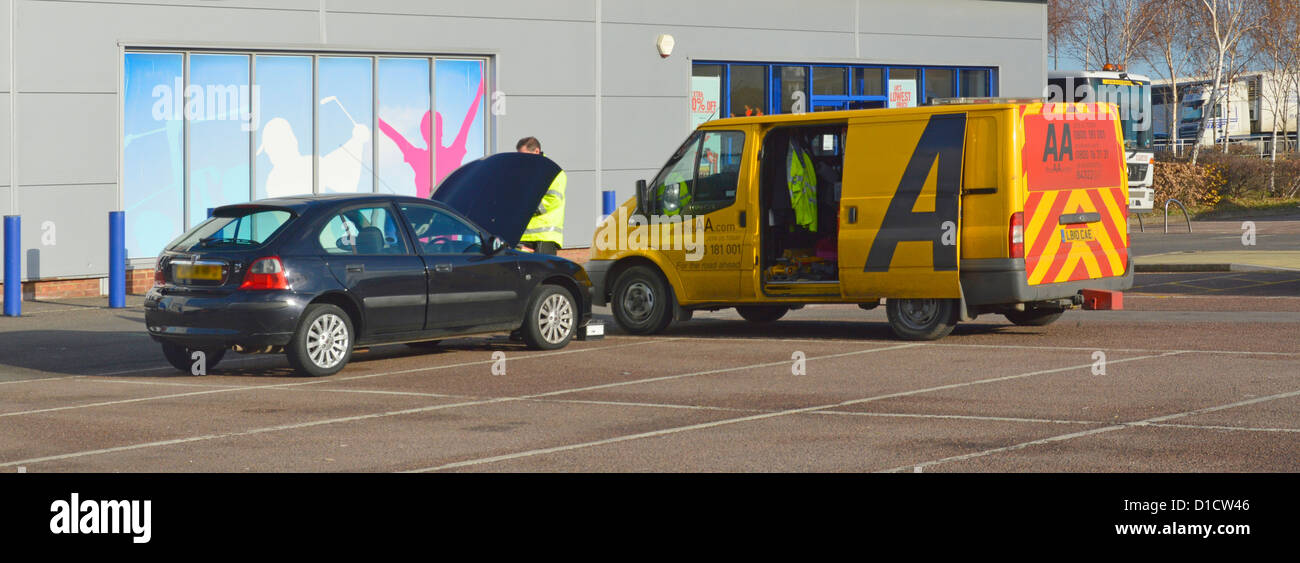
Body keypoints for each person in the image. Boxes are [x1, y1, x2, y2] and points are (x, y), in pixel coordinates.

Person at [516, 137, 565, 255]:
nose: (521, 160)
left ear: (536, 151)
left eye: (524, 155)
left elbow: (552, 200)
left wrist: (525, 210)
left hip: (544, 237)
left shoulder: (553, 171)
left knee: (542, 272)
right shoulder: (522, 173)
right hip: (522, 236)